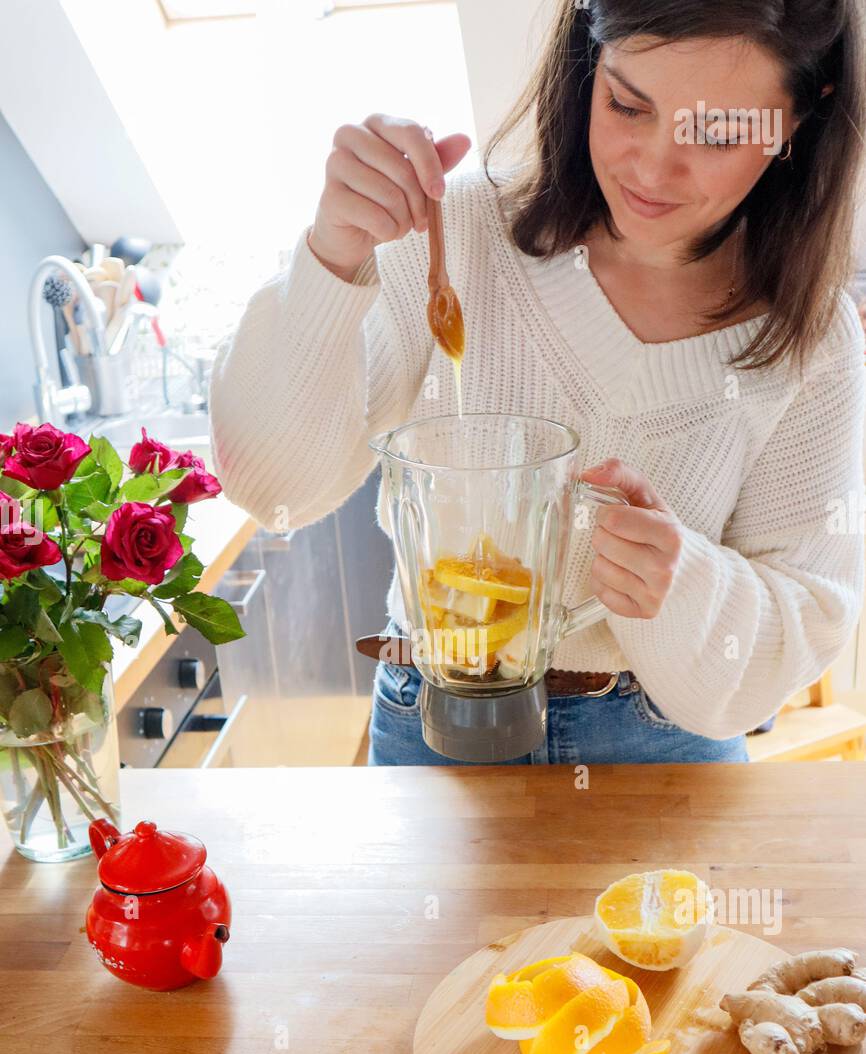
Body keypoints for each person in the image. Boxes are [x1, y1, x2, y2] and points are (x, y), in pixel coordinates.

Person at [210, 0, 866, 767]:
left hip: (661, 746)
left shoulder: (813, 340)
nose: (652, 168)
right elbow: (273, 489)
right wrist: (332, 256)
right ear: (588, 68)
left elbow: (801, 624)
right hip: (434, 716)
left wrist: (681, 586)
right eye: (627, 104)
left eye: (718, 134)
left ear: (799, 118)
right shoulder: (453, 237)